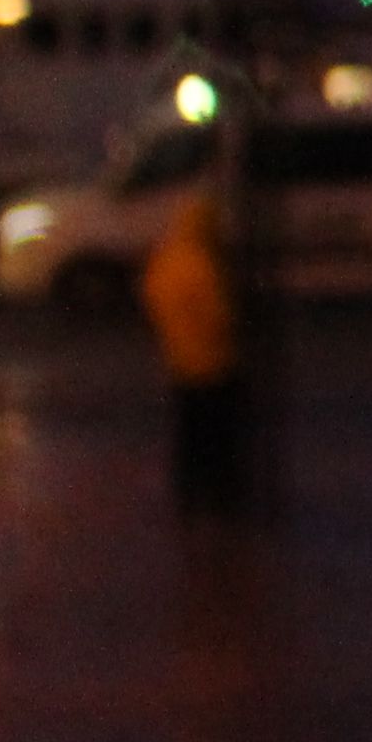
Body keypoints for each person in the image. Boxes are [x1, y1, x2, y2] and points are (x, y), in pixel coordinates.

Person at [139, 180, 244, 517]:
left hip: (179, 361)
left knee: (187, 435)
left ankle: (187, 494)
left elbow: (151, 296)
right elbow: (220, 316)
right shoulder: (204, 266)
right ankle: (219, 496)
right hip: (214, 364)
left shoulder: (166, 261)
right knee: (218, 434)